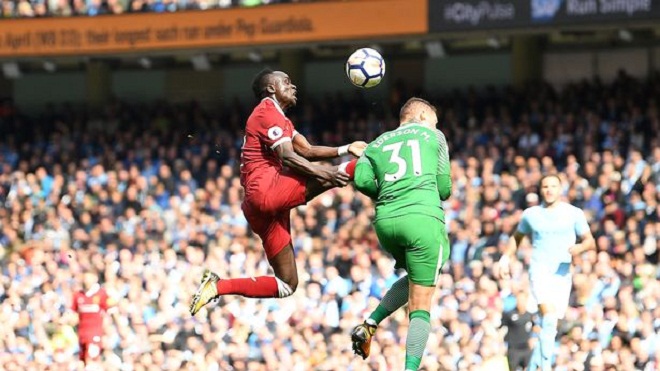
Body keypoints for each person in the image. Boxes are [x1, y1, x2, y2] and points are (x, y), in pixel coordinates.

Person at [190, 69, 366, 315]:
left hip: (258, 208)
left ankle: (218, 286)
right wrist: (327, 174)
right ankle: (381, 157)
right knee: (334, 175)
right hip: (266, 191)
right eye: (286, 82)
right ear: (271, 88)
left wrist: (346, 147)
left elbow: (307, 150)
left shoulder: (279, 117)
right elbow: (289, 156)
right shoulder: (266, 111)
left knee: (287, 284)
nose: (293, 86)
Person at [349, 97, 452, 371]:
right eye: (433, 120)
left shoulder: (376, 144)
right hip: (422, 220)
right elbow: (444, 189)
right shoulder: (434, 135)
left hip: (386, 223)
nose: (434, 125)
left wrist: (385, 193)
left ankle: (370, 322)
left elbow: (360, 181)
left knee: (415, 279)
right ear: (420, 116)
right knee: (422, 302)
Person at [499, 174, 595, 371]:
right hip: (540, 270)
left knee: (549, 327)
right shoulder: (531, 214)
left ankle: (535, 365)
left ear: (561, 189)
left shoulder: (573, 213)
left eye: (553, 186)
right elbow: (517, 238)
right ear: (540, 190)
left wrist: (579, 248)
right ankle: (545, 366)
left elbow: (590, 241)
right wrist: (505, 258)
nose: (549, 190)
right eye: (545, 186)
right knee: (549, 319)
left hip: (562, 273)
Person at [71, 272, 114, 365]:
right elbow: (73, 314)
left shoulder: (102, 294)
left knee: (92, 360)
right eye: (85, 278)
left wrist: (107, 332)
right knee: (83, 362)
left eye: (88, 278)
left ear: (95, 278)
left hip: (95, 334)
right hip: (82, 334)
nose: (86, 280)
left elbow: (109, 313)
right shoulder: (78, 295)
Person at [501, 291, 535, 371]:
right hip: (513, 349)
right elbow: (502, 329)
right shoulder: (509, 314)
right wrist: (503, 344)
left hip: (526, 348)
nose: (521, 302)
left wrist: (533, 338)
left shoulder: (530, 315)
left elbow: (533, 328)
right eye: (519, 300)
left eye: (523, 300)